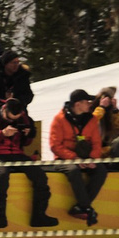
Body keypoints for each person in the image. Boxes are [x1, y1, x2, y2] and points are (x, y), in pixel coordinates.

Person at [0, 95, 54, 230]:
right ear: (4, 110)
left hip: (18, 153)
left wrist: (27, 134)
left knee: (40, 175)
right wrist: (2, 134)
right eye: (9, 119)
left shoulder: (23, 116)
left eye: (16, 119)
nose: (12, 121)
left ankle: (39, 215)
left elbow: (28, 142)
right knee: (1, 177)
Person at [47, 89, 109, 227]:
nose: (89, 104)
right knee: (74, 171)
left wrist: (92, 159)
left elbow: (97, 143)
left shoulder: (91, 119)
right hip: (64, 159)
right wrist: (74, 158)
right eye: (87, 101)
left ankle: (81, 207)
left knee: (101, 171)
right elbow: (55, 146)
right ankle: (86, 207)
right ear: (77, 104)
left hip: (86, 158)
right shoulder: (59, 119)